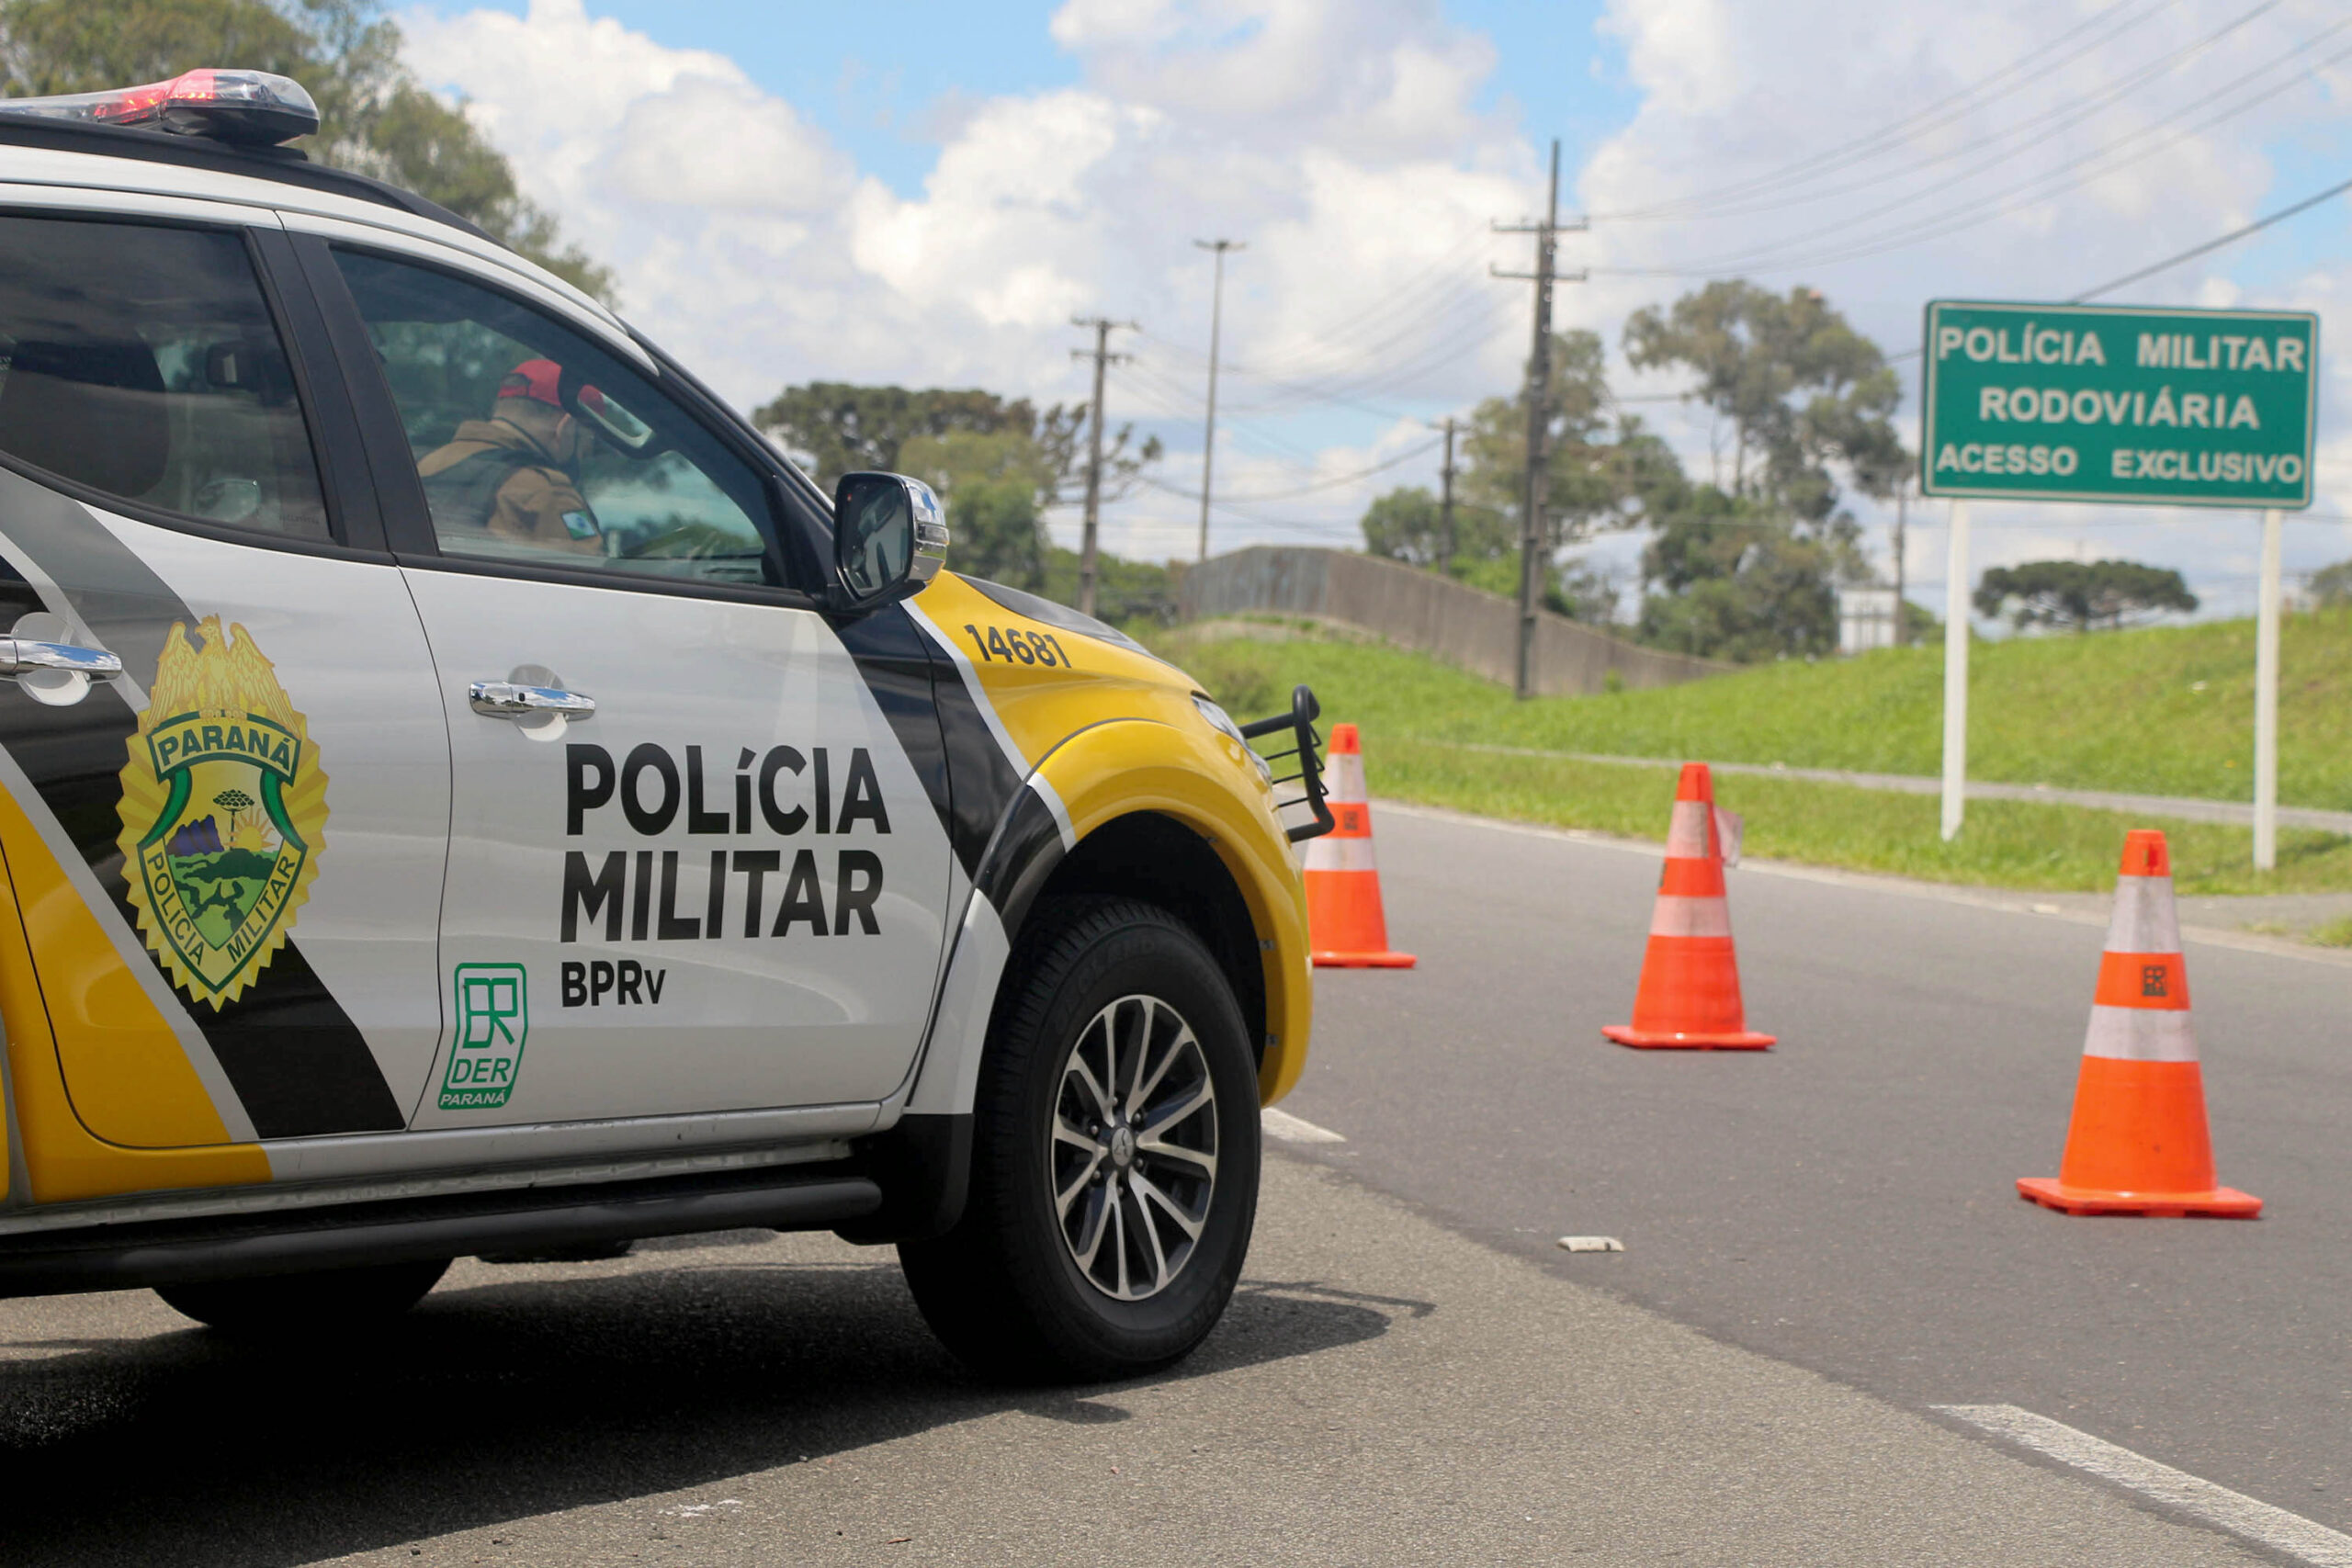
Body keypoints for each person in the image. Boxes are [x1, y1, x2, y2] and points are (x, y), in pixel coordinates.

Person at [416, 358, 605, 551]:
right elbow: (597, 574)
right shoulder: (546, 493)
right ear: (566, 427)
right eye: (588, 440)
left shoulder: (419, 466)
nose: (585, 454)